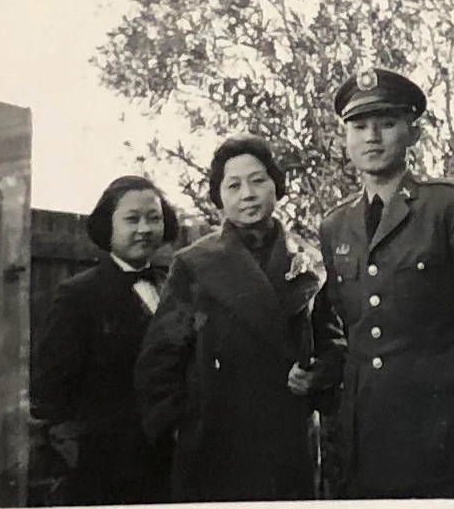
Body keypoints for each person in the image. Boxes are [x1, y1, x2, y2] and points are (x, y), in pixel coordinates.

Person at [312, 67, 454, 499]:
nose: (372, 137)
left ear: (413, 133)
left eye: (387, 124)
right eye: (359, 127)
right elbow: (344, 327)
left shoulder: (450, 208)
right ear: (345, 139)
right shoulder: (335, 226)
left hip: (442, 431)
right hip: (367, 436)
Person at [135, 134, 345, 502]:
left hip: (288, 443)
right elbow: (159, 363)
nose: (247, 194)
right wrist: (184, 429)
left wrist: (319, 372)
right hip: (215, 448)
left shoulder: (310, 262)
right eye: (233, 185)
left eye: (258, 180)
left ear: (276, 186)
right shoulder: (194, 265)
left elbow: (334, 343)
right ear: (219, 197)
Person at [31, 175, 179, 505]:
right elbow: (49, 389)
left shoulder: (173, 287)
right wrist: (77, 450)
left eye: (154, 218)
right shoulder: (78, 295)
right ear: (107, 226)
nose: (144, 229)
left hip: (167, 463)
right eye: (132, 219)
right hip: (103, 470)